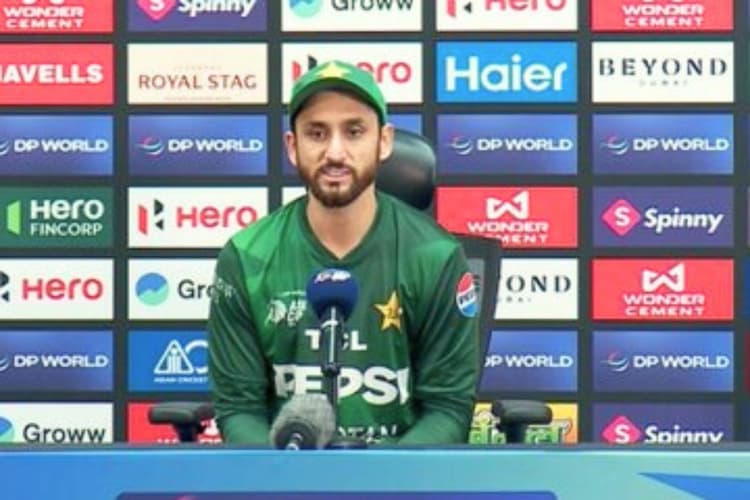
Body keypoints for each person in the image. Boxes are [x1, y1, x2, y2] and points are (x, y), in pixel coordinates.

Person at [207, 60, 479, 445]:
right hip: (287, 471)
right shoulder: (247, 257)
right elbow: (239, 409)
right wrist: (284, 472)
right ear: (292, 146)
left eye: (354, 132)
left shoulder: (436, 256)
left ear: (384, 141)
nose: (335, 152)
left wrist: (383, 477)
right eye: (317, 133)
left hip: (398, 476)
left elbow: (447, 409)